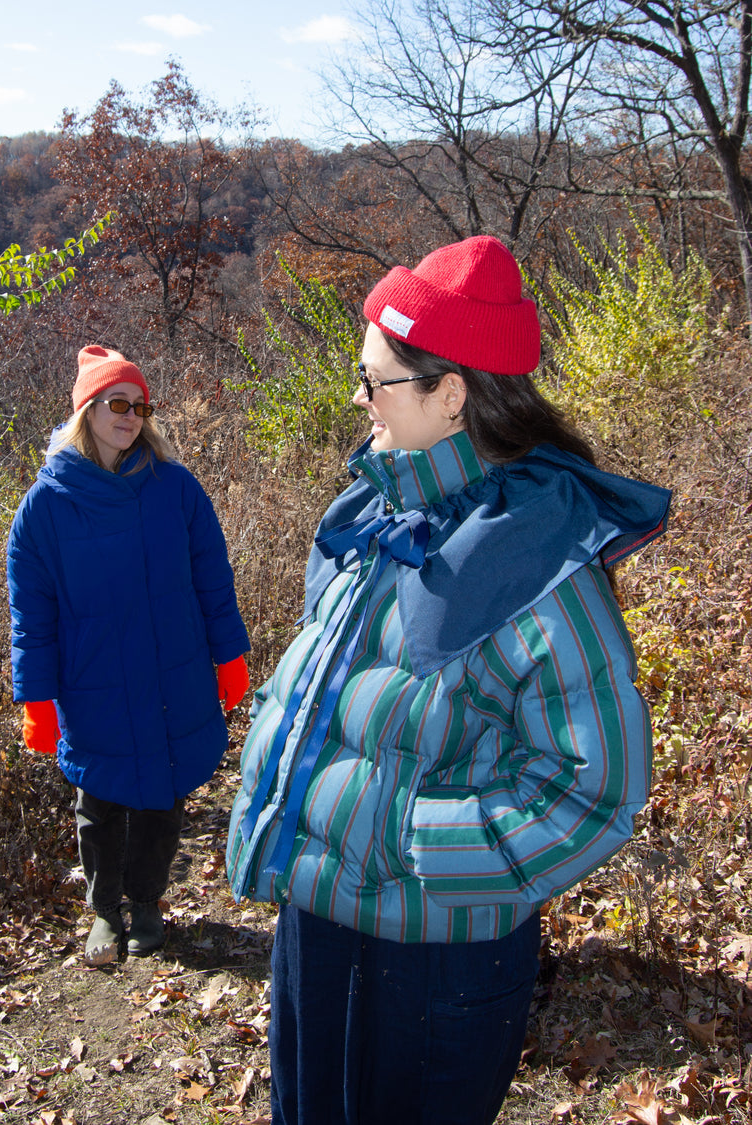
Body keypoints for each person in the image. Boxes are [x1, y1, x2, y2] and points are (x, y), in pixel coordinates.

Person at [226, 237, 671, 1124]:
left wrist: (406, 837)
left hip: (431, 964)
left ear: (452, 393)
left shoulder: (538, 561)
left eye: (377, 378)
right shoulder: (380, 515)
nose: (358, 397)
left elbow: (597, 791)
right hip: (319, 925)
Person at [8, 345, 250, 965]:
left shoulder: (174, 487)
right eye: (118, 403)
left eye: (140, 405)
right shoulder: (45, 506)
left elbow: (211, 578)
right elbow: (31, 614)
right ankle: (103, 913)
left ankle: (146, 903)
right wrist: (36, 697)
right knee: (101, 804)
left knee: (162, 801)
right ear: (86, 410)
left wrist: (229, 655)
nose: (131, 416)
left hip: (174, 673)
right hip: (93, 682)